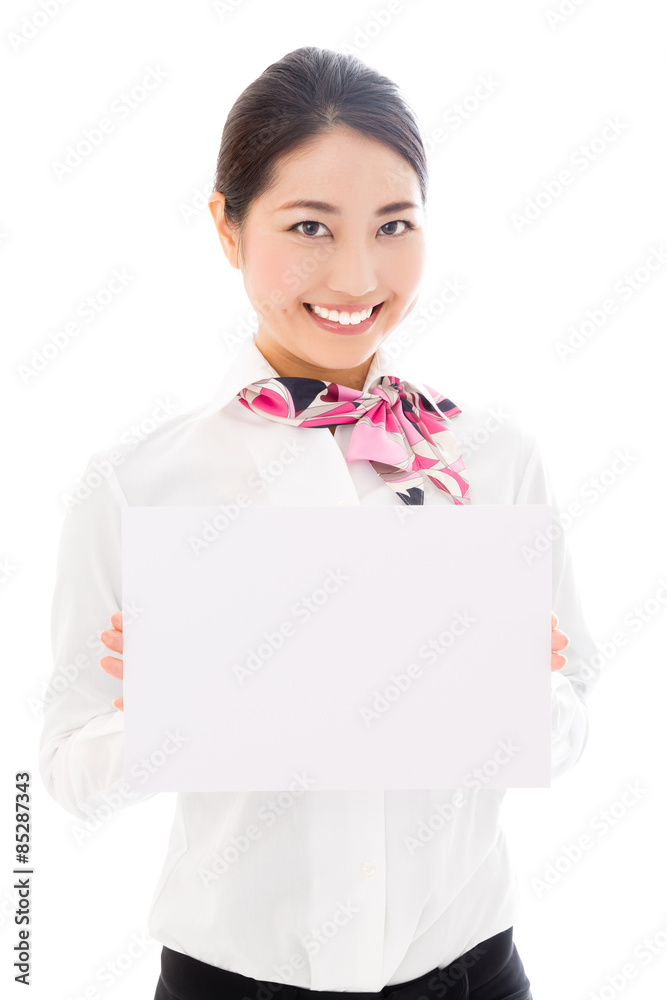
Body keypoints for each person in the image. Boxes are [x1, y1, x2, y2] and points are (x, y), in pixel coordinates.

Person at [39, 46, 600, 1000]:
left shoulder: (495, 458)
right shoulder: (138, 484)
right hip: (234, 981)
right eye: (309, 225)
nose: (356, 274)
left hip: (467, 970)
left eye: (394, 225)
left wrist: (505, 687)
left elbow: (573, 703)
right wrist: (203, 702)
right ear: (226, 226)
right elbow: (63, 772)